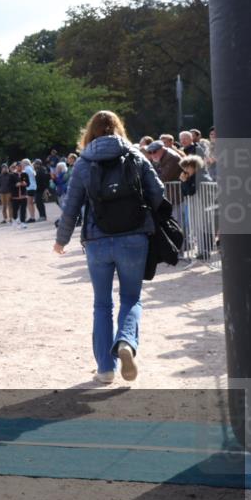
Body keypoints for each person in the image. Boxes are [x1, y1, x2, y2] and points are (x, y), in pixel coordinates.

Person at [54, 110, 164, 384]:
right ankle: (126, 342)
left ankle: (105, 368)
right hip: (134, 236)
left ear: (89, 132)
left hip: (97, 239)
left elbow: (71, 206)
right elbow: (159, 191)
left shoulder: (83, 162)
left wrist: (61, 240)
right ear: (119, 129)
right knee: (131, 298)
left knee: (102, 305)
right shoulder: (135, 156)